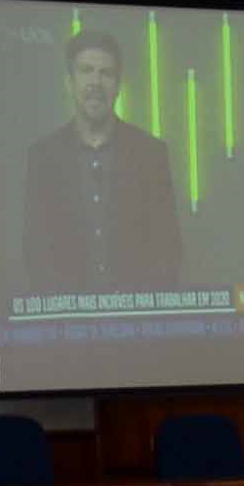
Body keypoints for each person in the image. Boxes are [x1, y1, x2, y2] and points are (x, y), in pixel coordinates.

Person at [22, 25, 180, 299]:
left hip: (138, 326)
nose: (95, 82)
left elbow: (168, 250)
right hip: (64, 327)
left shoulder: (152, 154)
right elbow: (35, 252)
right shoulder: (42, 158)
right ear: (69, 82)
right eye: (86, 71)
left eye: (105, 73)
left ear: (118, 85)